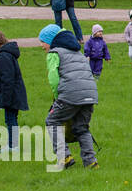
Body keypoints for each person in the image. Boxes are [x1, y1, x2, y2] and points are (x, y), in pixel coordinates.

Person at [38, 23, 98, 169]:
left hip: (70, 94)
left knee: (52, 121)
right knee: (82, 127)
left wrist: (57, 96)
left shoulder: (54, 53)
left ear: (51, 41)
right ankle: (91, 162)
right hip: (90, 94)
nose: (41, 45)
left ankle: (64, 157)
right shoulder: (77, 52)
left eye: (43, 41)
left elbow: (53, 78)